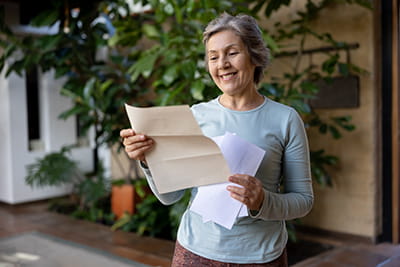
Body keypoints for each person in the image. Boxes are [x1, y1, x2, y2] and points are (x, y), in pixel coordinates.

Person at [120, 12, 313, 267]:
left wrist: (263, 201)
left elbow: (303, 200)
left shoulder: (285, 120)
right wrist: (148, 161)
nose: (222, 64)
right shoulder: (196, 117)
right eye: (213, 57)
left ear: (254, 55)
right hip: (194, 252)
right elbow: (170, 197)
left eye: (232, 53)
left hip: (261, 257)